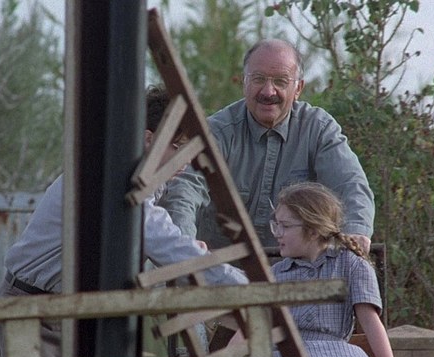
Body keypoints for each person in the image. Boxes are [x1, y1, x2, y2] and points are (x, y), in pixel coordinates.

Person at [0, 85, 248, 357]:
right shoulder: (118, 182)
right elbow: (172, 248)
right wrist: (249, 289)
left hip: (76, 315)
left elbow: (160, 249)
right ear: (149, 139)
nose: (185, 161)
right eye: (178, 147)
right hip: (35, 316)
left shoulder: (136, 181)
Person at [192, 182, 408, 357]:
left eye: (285, 226)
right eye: (276, 225)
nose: (277, 234)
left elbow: (371, 321)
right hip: (289, 352)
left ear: (313, 230)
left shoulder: (352, 265)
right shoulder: (276, 275)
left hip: (335, 351)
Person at [159, 38, 375, 253]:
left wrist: (355, 231)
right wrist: (185, 246)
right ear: (244, 82)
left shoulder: (318, 129)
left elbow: (350, 183)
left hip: (297, 269)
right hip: (220, 269)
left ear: (298, 88)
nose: (268, 91)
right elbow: (185, 189)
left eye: (280, 81)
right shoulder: (216, 132)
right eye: (258, 79)